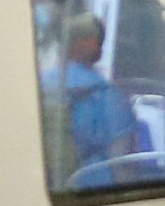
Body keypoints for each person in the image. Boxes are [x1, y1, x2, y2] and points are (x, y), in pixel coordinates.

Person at [54, 12, 136, 183]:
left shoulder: (41, 84)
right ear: (90, 44)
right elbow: (122, 163)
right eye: (100, 41)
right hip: (94, 191)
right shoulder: (107, 94)